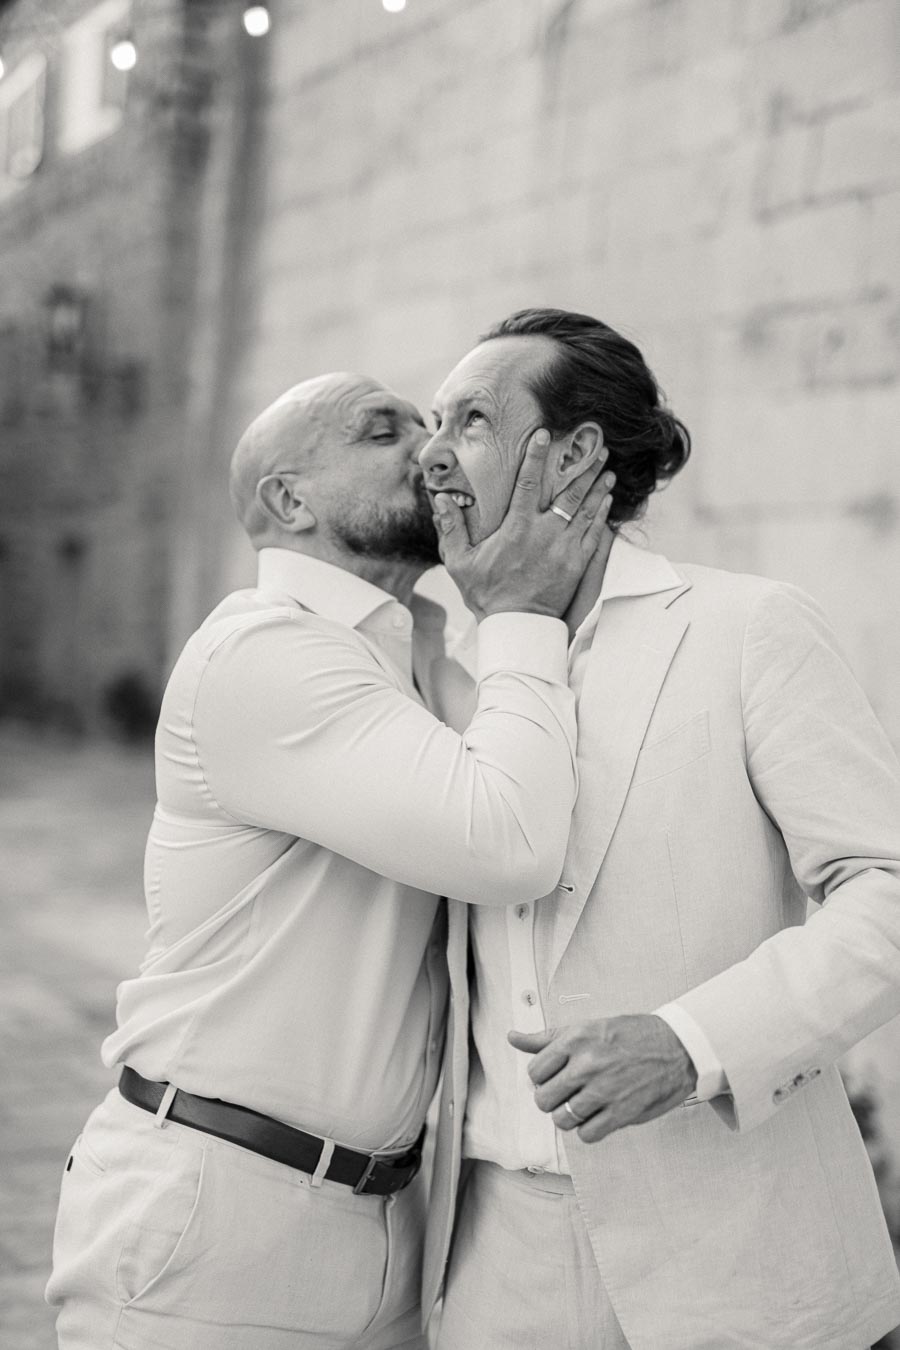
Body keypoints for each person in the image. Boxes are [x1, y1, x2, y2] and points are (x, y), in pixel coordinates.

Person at [45, 371, 616, 1350]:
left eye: (437, 425)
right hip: (216, 1218)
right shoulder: (267, 653)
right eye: (382, 431)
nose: (431, 449)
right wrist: (523, 608)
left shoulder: (409, 656)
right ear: (290, 500)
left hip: (385, 1224)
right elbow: (509, 840)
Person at [419, 308, 900, 1350]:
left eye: (470, 421)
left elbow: (886, 895)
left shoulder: (746, 628)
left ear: (577, 453)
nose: (433, 452)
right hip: (494, 1266)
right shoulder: (439, 665)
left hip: (737, 1252)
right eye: (429, 420)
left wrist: (694, 1045)